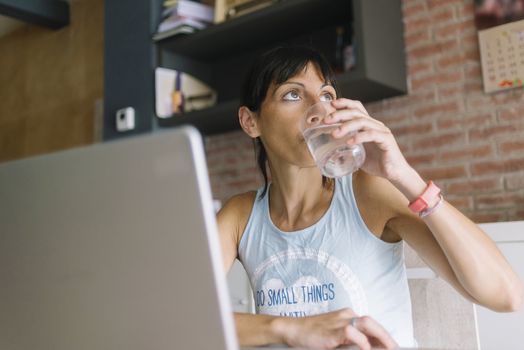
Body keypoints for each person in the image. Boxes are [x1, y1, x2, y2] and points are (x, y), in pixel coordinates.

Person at [216, 45, 522, 349]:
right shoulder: (241, 215)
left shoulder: (368, 192)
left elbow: (506, 295)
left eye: (326, 96)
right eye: (292, 95)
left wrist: (402, 175)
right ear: (250, 122)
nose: (318, 111)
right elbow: (178, 315)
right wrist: (290, 329)